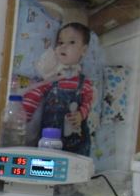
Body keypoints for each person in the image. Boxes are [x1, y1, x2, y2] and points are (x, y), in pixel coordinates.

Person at [21, 22, 95, 155]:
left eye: (71, 42)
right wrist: (23, 116)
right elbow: (35, 93)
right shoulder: (52, 78)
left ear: (83, 50)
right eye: (60, 43)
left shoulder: (85, 83)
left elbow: (88, 102)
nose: (63, 46)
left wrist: (81, 114)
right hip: (49, 141)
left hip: (76, 142)